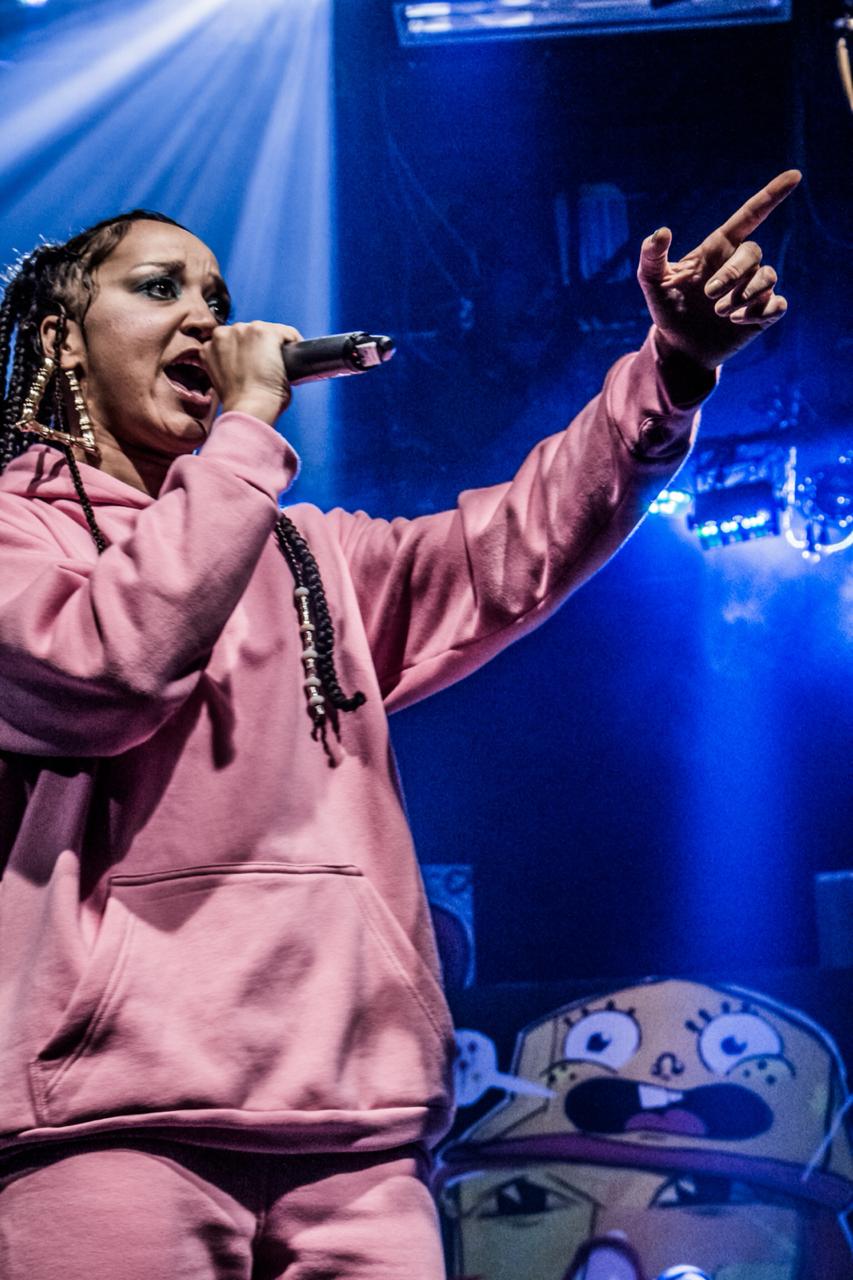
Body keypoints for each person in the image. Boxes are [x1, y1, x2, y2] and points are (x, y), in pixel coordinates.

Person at [0, 172, 799, 1279]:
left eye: (216, 296)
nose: (205, 318)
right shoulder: (18, 538)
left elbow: (518, 543)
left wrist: (672, 370)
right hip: (116, 1128)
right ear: (61, 339)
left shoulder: (309, 554)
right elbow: (112, 663)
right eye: (158, 287)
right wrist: (244, 437)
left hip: (359, 1132)